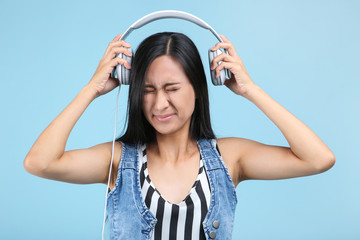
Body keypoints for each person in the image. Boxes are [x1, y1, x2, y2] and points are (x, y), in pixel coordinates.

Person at [24, 32, 336, 240]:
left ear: (198, 89)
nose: (160, 103)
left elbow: (318, 159)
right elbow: (40, 163)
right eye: (148, 90)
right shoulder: (119, 161)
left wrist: (250, 90)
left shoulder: (229, 158)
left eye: (172, 88)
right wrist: (91, 89)